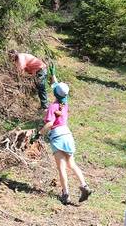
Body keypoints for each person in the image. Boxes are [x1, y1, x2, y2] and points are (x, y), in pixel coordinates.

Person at [38, 68, 92, 205]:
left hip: (57, 136)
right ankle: (84, 186)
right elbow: (58, 87)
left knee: (61, 167)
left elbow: (50, 124)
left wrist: (39, 133)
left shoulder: (53, 106)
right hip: (67, 134)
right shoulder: (64, 102)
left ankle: (66, 194)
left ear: (54, 93)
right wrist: (54, 76)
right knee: (72, 164)